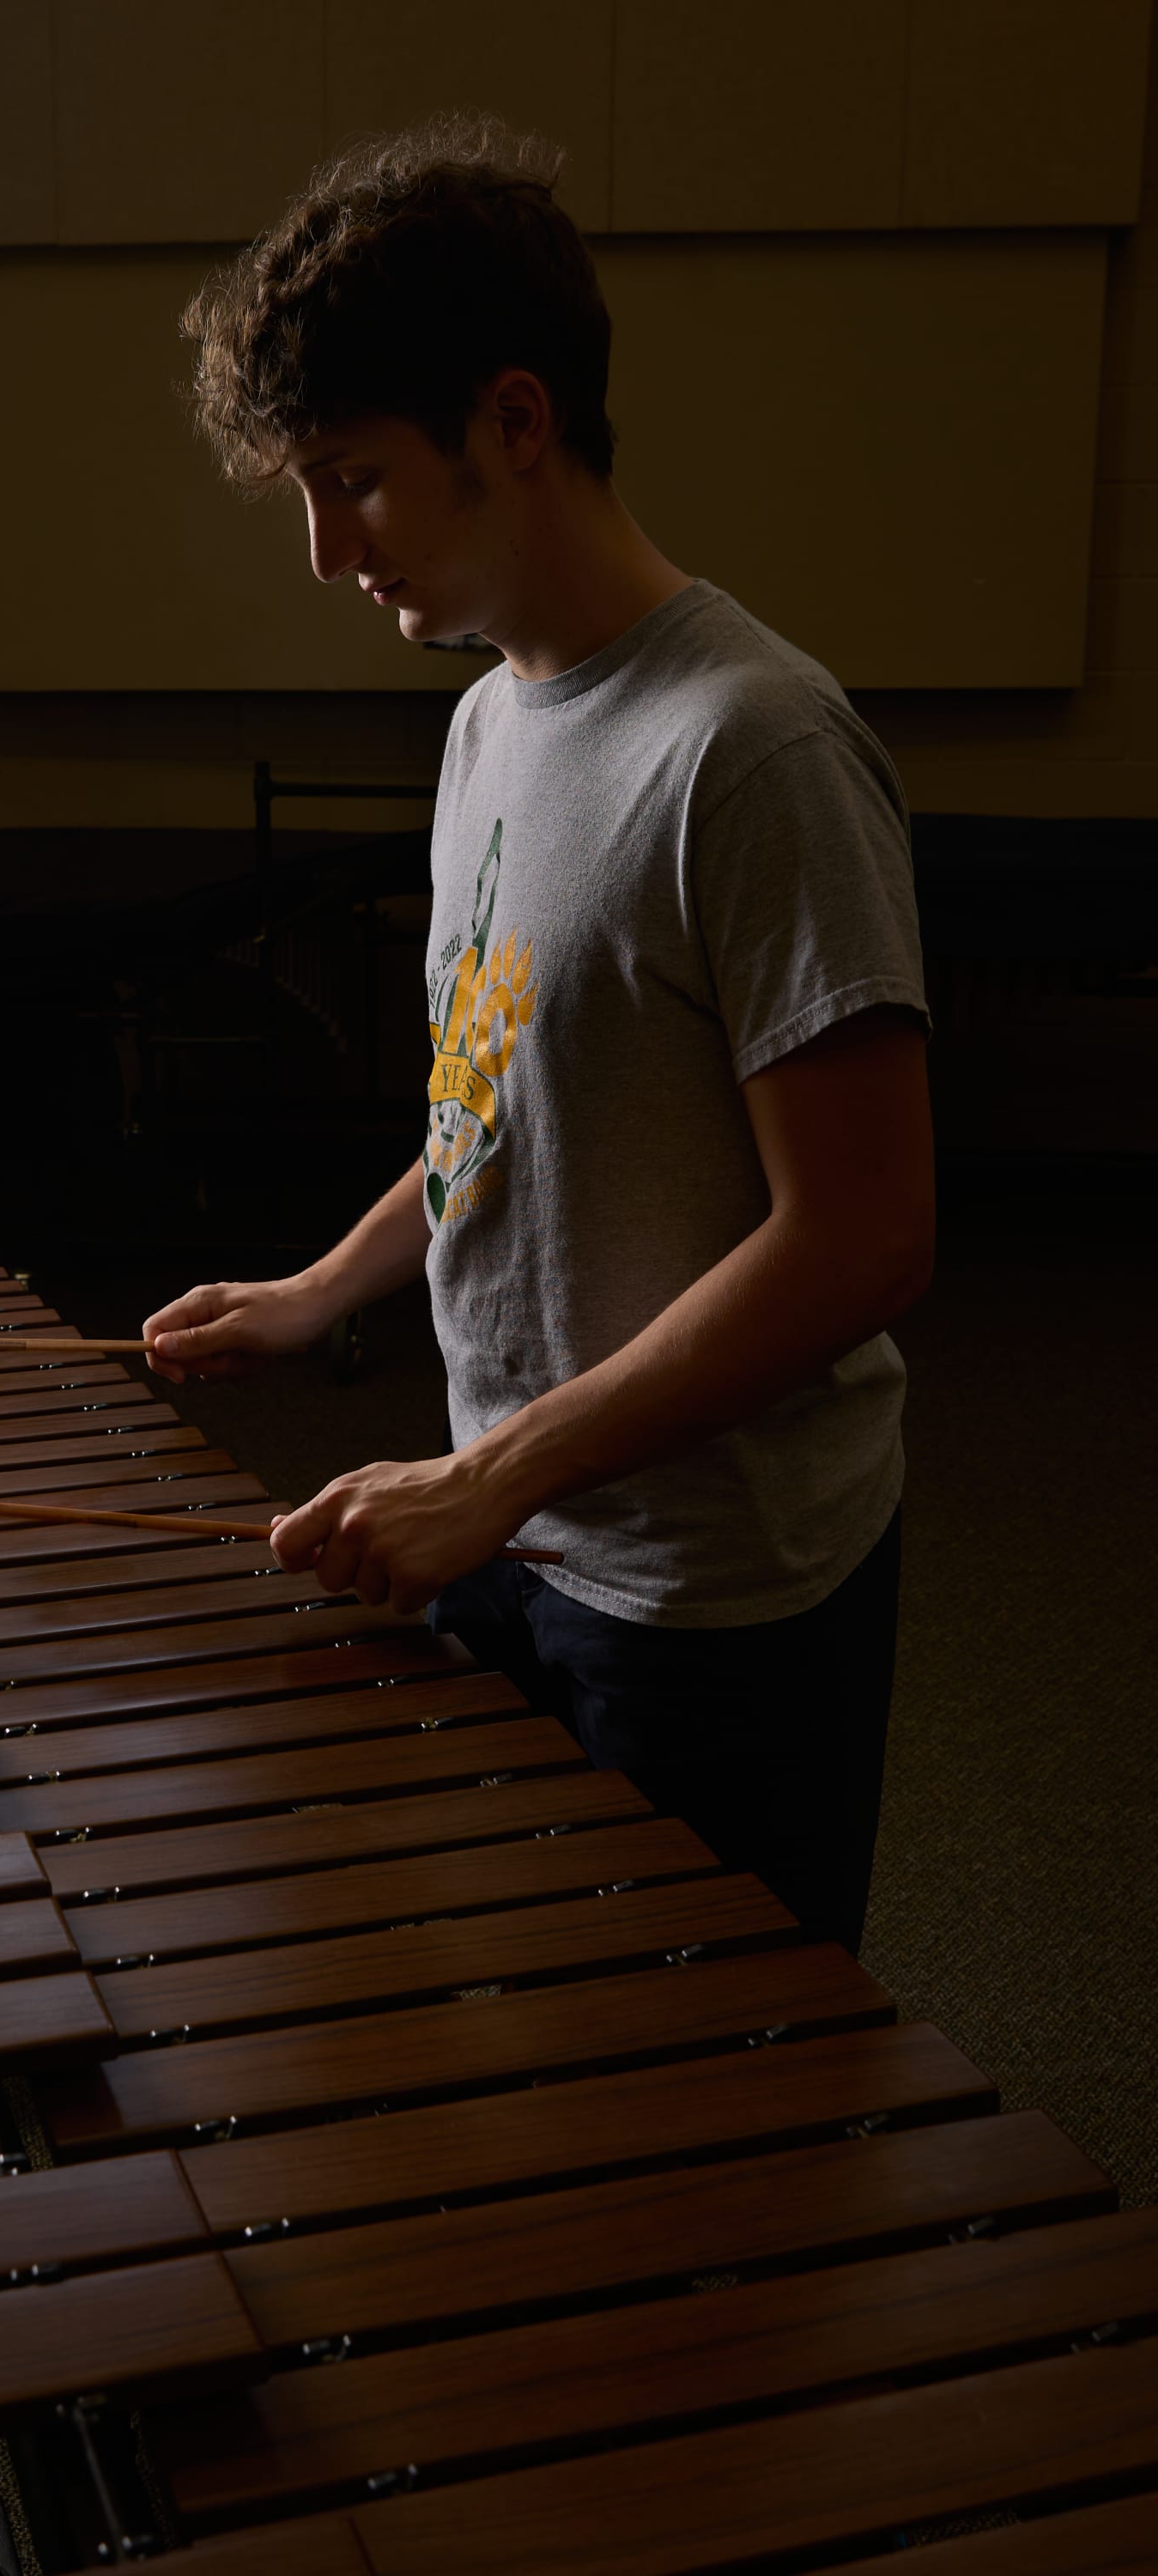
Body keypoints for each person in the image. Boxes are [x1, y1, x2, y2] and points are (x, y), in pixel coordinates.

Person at [144, 118, 934, 1957]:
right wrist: (324, 1291)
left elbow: (864, 1238)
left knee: (719, 2075)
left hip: (712, 1594)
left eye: (353, 481)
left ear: (514, 420)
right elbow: (490, 1102)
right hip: (510, 1527)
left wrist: (490, 1477)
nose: (326, 553)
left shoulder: (752, 749)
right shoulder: (488, 722)